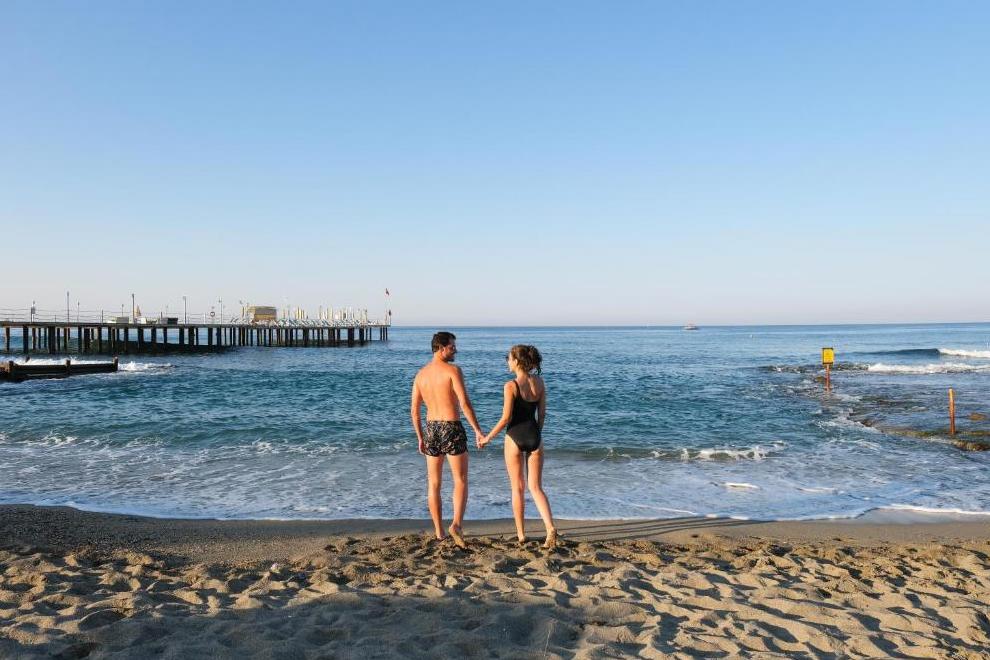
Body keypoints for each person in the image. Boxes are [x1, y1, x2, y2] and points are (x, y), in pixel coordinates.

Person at [411, 331, 485, 547]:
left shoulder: (420, 375)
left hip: (431, 429)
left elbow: (414, 412)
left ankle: (439, 532)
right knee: (460, 480)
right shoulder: (453, 371)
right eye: (452, 347)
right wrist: (478, 430)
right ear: (441, 348)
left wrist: (420, 437)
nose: (455, 350)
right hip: (451, 427)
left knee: (434, 483)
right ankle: (456, 525)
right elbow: (465, 404)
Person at [479, 344, 557, 548]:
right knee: (536, 487)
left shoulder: (511, 385)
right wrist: (537, 433)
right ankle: (550, 528)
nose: (507, 361)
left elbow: (506, 418)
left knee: (517, 488)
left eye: (508, 358)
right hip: (535, 436)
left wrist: (487, 438)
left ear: (516, 361)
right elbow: (542, 414)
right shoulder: (539, 382)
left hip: (514, 436)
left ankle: (521, 534)